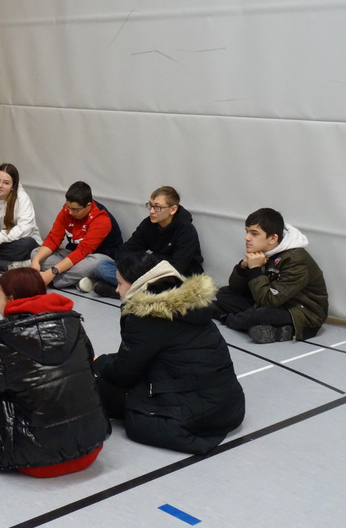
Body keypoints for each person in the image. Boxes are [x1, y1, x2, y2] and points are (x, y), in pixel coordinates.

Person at [0, 268, 110, 477]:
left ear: (11, 299)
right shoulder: (73, 323)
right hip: (90, 446)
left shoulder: (4, 336)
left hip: (36, 460)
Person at [93, 252, 245, 455]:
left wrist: (98, 362)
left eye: (120, 284)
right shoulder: (189, 304)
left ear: (137, 284)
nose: (117, 290)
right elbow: (147, 353)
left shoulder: (146, 317)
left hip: (197, 413)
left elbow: (122, 374)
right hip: (228, 405)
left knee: (102, 389)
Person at [213, 208, 328, 343]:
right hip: (274, 301)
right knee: (224, 294)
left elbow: (270, 300)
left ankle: (227, 317)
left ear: (273, 238)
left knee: (261, 314)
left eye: (254, 234)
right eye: (247, 231)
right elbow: (235, 288)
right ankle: (257, 324)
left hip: (301, 312)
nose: (247, 238)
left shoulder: (296, 260)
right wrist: (243, 267)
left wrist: (255, 269)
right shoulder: (263, 251)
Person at [84, 186, 204, 297]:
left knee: (174, 286)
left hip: (180, 276)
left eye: (157, 207)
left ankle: (121, 290)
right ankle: (136, 292)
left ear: (173, 209)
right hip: (150, 271)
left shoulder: (186, 230)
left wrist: (147, 274)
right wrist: (135, 267)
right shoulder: (148, 224)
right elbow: (124, 251)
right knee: (102, 267)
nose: (151, 211)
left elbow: (177, 269)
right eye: (150, 205)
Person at [30, 181, 123, 289]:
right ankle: (78, 281)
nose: (70, 212)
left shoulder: (101, 219)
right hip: (74, 254)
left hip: (96, 258)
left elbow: (83, 251)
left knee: (96, 265)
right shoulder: (67, 211)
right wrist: (36, 260)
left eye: (75, 209)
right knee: (36, 253)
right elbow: (53, 238)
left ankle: (55, 281)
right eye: (68, 207)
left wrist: (53, 271)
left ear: (88, 206)